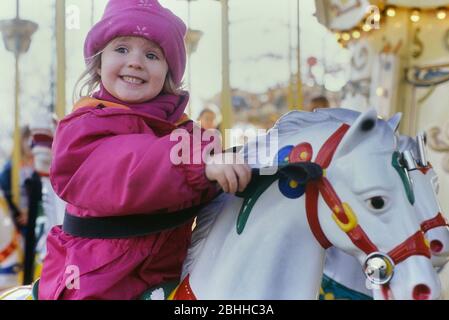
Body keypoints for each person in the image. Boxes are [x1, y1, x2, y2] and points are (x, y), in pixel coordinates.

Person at [38, 0, 251, 300]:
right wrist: (197, 163)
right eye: (122, 49)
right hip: (94, 275)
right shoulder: (83, 127)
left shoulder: (184, 131)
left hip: (167, 274)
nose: (136, 62)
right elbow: (124, 167)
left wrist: (245, 166)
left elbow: (201, 184)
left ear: (168, 73)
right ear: (98, 64)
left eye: (152, 55)